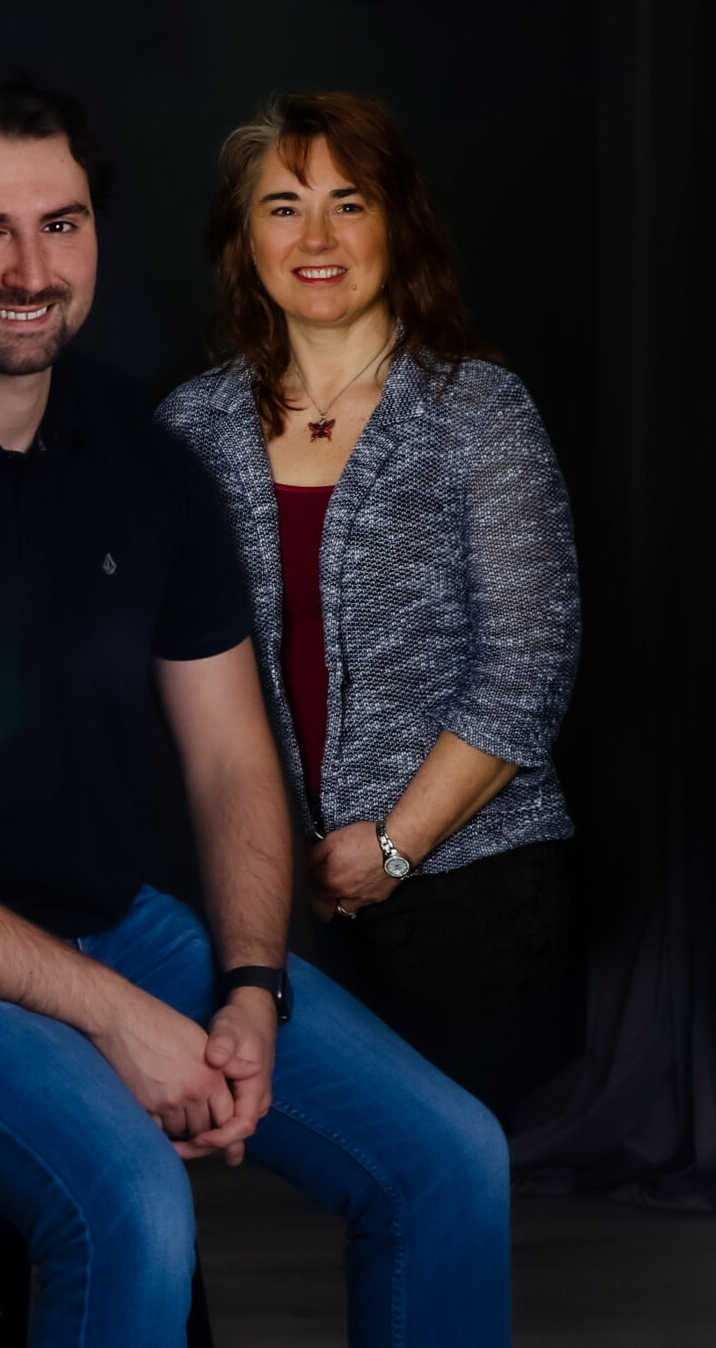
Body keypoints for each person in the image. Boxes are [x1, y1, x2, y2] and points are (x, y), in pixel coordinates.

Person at [0, 77, 511, 1348]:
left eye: (60, 224)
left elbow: (229, 761)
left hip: (127, 928)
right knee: (132, 1205)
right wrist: (117, 1021)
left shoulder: (152, 467)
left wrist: (249, 986)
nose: (29, 267)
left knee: (452, 1160)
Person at [157, 91, 581, 1119]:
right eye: (282, 207)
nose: (315, 238)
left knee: (443, 1174)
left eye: (347, 203)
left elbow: (529, 667)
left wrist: (389, 846)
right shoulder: (186, 429)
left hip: (465, 895)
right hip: (265, 906)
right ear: (241, 236)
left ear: (396, 223)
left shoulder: (477, 410)